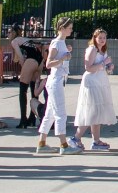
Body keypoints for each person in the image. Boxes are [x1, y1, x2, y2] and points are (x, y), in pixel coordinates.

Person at [35, 16, 80, 155]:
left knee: (50, 113)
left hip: (57, 80)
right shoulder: (56, 43)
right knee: (60, 113)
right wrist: (62, 58)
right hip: (55, 81)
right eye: (69, 28)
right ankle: (63, 144)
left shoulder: (61, 42)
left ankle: (42, 143)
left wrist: (66, 52)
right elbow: (48, 63)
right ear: (62, 28)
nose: (71, 31)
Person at [74, 28, 117, 150]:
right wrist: (104, 64)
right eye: (100, 38)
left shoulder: (103, 50)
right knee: (91, 111)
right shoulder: (92, 49)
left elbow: (103, 66)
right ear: (95, 37)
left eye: (104, 38)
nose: (102, 40)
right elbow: (88, 67)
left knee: (97, 111)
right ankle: (76, 137)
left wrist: (109, 67)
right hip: (92, 82)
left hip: (100, 81)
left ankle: (96, 141)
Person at [10, 25, 43, 129]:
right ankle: (32, 118)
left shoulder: (14, 41)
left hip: (31, 59)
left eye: (9, 32)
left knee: (23, 89)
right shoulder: (26, 39)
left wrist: (24, 66)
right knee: (34, 89)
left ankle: (23, 120)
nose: (8, 34)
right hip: (40, 59)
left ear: (14, 33)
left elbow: (20, 56)